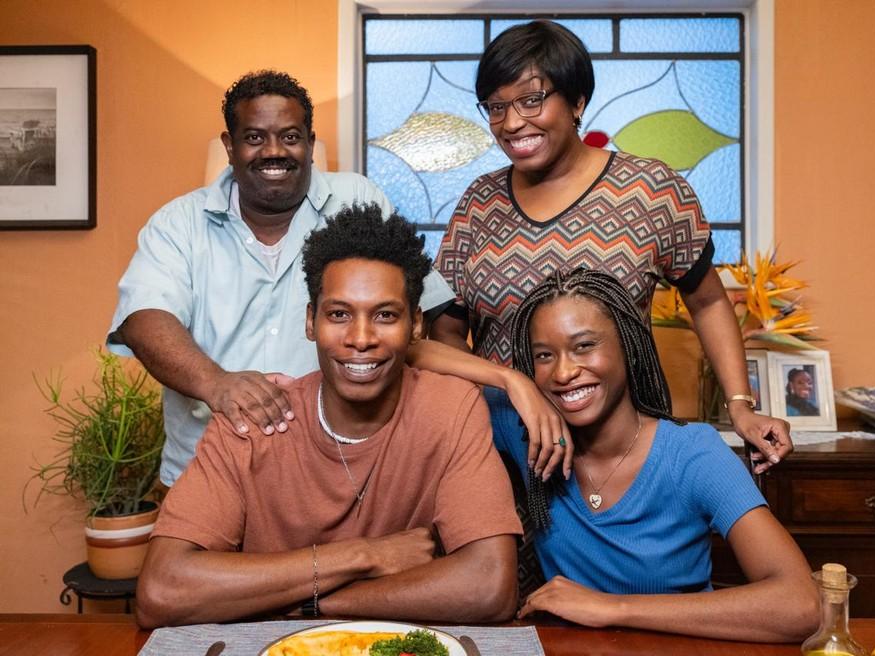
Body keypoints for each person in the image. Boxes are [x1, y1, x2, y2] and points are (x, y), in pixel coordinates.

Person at [432, 20, 791, 482]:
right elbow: (443, 334)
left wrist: (741, 406)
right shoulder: (478, 203)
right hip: (502, 451)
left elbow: (706, 302)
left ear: (578, 101)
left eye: (531, 99)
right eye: (496, 107)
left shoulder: (650, 189)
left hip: (622, 449)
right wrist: (509, 390)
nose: (512, 122)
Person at [135, 205, 521, 628]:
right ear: (310, 322)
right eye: (339, 314)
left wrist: (314, 603)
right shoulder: (253, 419)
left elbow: (491, 586)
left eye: (385, 315)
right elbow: (161, 590)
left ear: (416, 325)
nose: (360, 339)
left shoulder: (452, 409)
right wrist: (364, 556)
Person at [107, 70, 457, 487]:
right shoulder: (178, 223)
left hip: (341, 473)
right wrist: (216, 384)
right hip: (208, 474)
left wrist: (455, 410)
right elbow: (144, 317)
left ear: (311, 143)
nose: (274, 151)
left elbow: (431, 307)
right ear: (229, 147)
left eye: (290, 137)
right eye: (255, 138)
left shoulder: (357, 200)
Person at [506, 268, 818, 642]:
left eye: (584, 346)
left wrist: (609, 607)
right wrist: (513, 382)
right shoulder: (528, 436)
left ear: (628, 346)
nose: (563, 371)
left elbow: (801, 605)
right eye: (544, 355)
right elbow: (419, 351)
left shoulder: (691, 453)